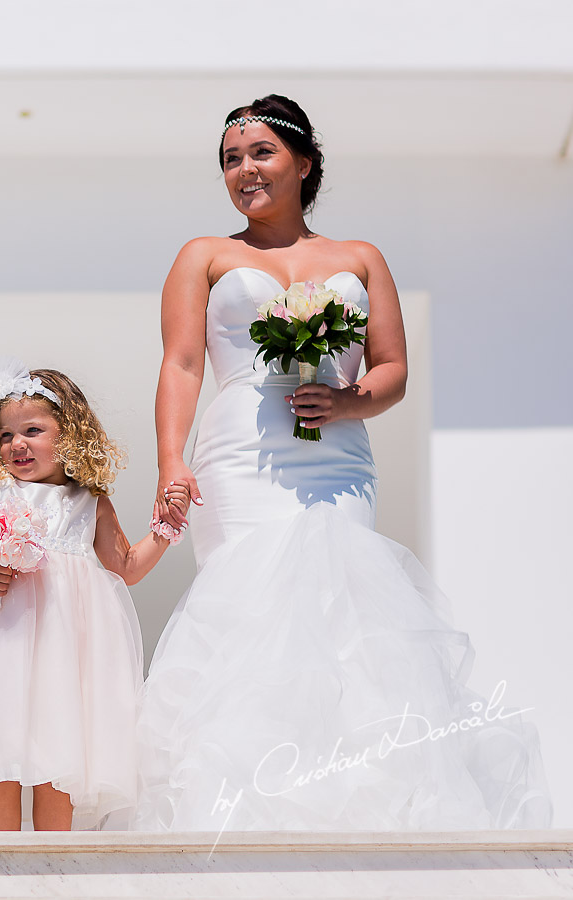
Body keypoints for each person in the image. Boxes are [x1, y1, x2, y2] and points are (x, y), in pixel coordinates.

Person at [137, 94, 551, 830]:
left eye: (261, 153)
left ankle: (351, 806)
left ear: (303, 162)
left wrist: (348, 403)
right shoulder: (204, 256)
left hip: (337, 462)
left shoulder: (360, 258)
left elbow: (392, 367)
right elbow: (180, 365)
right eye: (231, 160)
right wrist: (173, 462)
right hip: (240, 458)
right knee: (252, 610)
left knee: (348, 613)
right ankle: (243, 806)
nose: (245, 170)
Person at [0, 362, 188, 831]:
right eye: (5, 435)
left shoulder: (90, 500)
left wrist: (164, 531)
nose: (16, 444)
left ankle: (52, 861)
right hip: (3, 639)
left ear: (70, 435)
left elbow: (125, 566)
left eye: (32, 430)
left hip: (66, 645)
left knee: (61, 754)